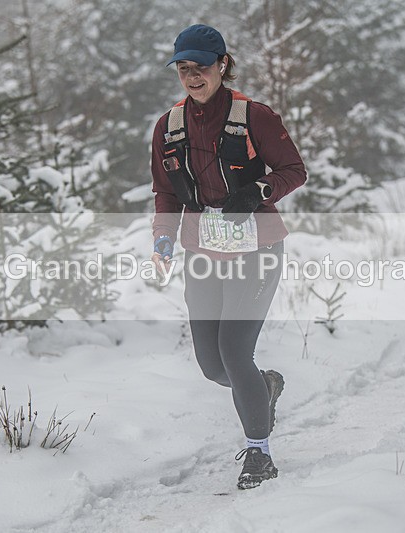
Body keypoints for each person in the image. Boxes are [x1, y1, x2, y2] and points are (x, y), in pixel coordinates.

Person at [150, 24, 306, 489]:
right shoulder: (168, 125)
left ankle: (259, 453)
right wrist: (163, 237)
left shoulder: (254, 116)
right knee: (212, 365)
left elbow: (293, 170)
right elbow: (164, 190)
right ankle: (266, 387)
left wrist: (258, 190)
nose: (193, 76)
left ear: (222, 65)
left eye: (201, 66)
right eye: (184, 68)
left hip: (256, 245)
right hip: (202, 250)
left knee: (235, 354)